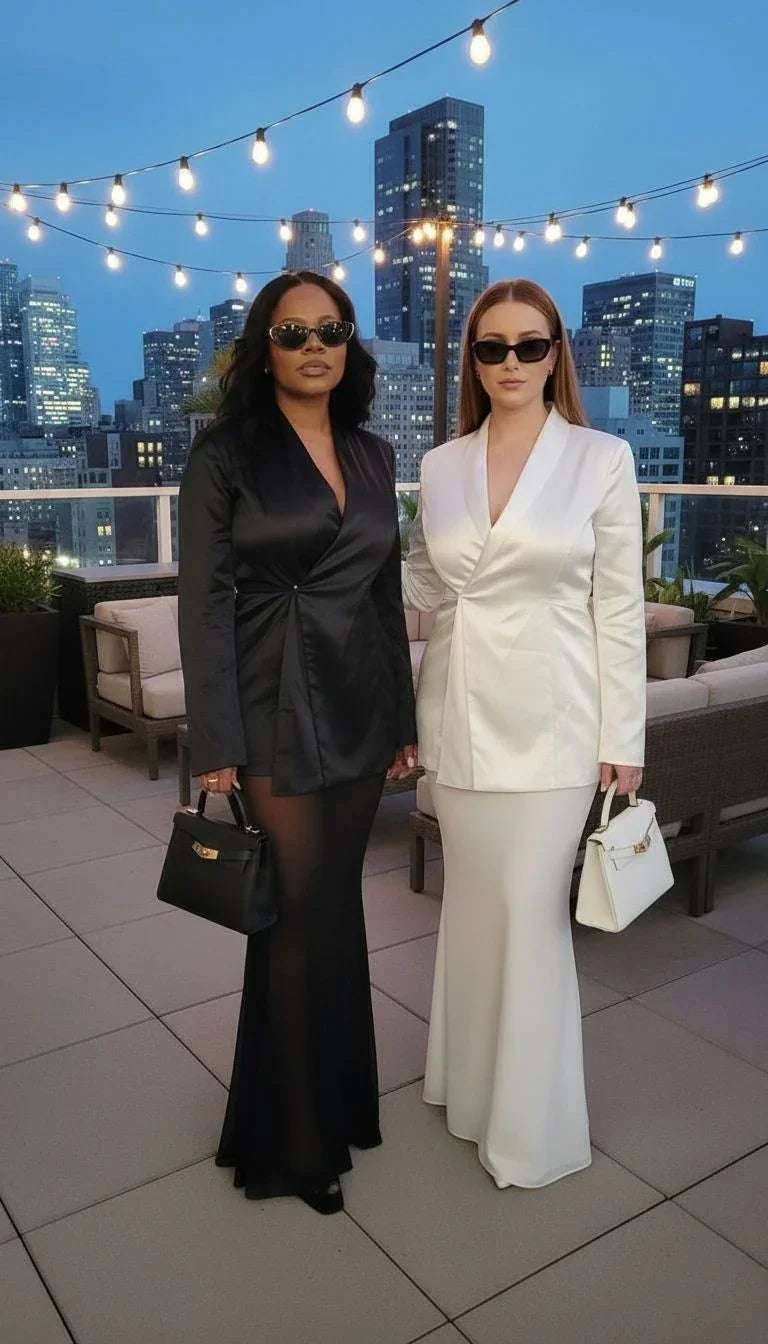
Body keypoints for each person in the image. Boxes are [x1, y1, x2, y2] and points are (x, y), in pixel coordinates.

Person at [177, 271, 417, 1215]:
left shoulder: (375, 453)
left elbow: (386, 594)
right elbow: (202, 602)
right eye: (293, 332)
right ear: (264, 347)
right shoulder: (224, 454)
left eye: (331, 330)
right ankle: (293, 1143)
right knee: (292, 918)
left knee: (337, 912)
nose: (314, 346)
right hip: (270, 699)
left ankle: (342, 1103)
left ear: (350, 344)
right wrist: (215, 736)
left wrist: (403, 720)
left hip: (358, 699)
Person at [402, 277, 646, 1189]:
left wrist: (625, 738)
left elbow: (619, 607)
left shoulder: (600, 457)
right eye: (491, 346)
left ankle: (529, 1129)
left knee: (532, 918)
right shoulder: (441, 465)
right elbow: (423, 582)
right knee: (471, 908)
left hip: (557, 725)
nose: (510, 361)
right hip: (459, 714)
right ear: (472, 360)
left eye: (529, 345)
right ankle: (466, 1090)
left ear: (555, 355)